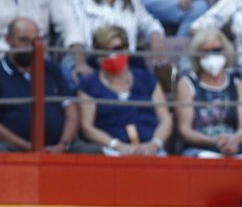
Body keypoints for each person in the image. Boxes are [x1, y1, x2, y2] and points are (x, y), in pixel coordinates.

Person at [0, 17, 79, 151]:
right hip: (13, 147)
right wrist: (30, 148)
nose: (30, 46)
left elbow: (72, 113)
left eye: (35, 41)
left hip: (58, 148)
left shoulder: (52, 70)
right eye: (23, 40)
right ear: (8, 40)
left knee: (93, 153)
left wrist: (63, 144)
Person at [73, 23, 171, 153]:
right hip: (111, 151)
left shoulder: (146, 78)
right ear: (97, 56)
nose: (112, 56)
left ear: (126, 49)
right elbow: (87, 127)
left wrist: (155, 144)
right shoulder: (89, 84)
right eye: (104, 51)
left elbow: (166, 119)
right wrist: (118, 146)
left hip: (151, 150)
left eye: (117, 49)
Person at [175, 28, 242, 156]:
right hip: (201, 147)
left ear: (225, 50)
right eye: (205, 52)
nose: (212, 55)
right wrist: (215, 141)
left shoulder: (237, 82)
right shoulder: (187, 83)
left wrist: (234, 140)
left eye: (217, 50)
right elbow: (185, 130)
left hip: (235, 146)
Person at [66, 0, 165, 58]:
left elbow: (150, 24)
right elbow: (78, 35)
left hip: (125, 64)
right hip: (91, 60)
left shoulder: (132, 0)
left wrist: (155, 35)